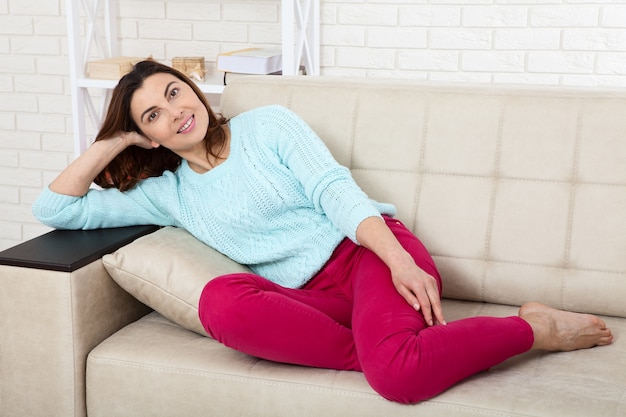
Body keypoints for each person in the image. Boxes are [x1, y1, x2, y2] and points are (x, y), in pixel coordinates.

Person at [33, 60, 613, 404]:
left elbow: (335, 192)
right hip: (306, 298)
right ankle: (397, 347)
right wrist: (113, 140)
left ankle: (530, 329)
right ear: (150, 138)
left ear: (193, 88)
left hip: (369, 256)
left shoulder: (267, 126)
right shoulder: (169, 193)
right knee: (224, 306)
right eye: (151, 116)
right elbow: (56, 208)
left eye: (173, 92)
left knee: (398, 378)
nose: (173, 110)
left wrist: (400, 263)